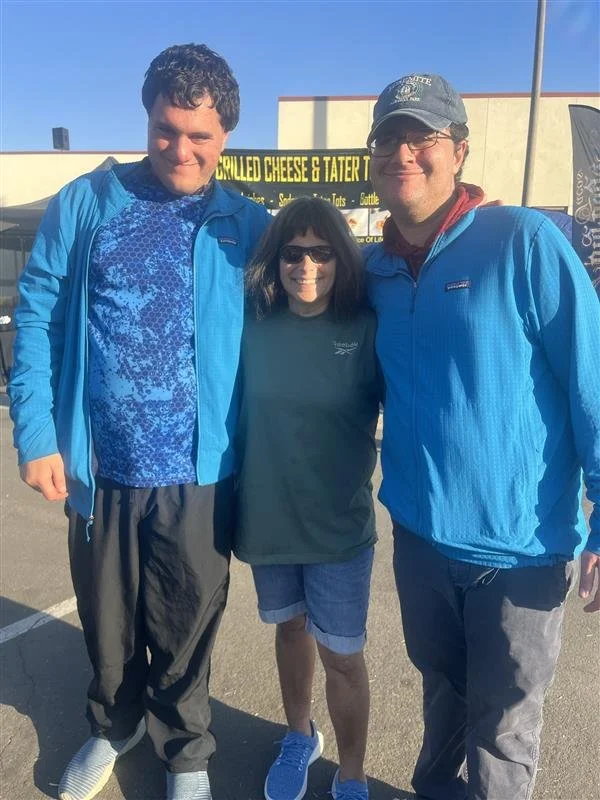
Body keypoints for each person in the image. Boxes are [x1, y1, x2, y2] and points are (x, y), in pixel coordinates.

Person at [8, 43, 270, 800]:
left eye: (200, 135)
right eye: (166, 129)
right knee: (109, 624)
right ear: (147, 118)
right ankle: (113, 724)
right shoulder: (89, 203)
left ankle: (185, 752)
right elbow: (37, 317)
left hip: (199, 472)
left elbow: (314, 305)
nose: (180, 149)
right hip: (101, 465)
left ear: (225, 136)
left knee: (188, 621)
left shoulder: (248, 225)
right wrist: (36, 434)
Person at [364, 73, 600, 800]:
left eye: (423, 138)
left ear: (458, 151)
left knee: (503, 732)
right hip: (420, 542)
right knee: (444, 698)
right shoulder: (371, 269)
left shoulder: (522, 241)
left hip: (519, 553)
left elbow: (591, 379)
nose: (405, 152)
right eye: (390, 138)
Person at [235, 197, 381, 800]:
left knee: (343, 657)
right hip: (268, 520)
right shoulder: (253, 325)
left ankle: (351, 772)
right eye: (293, 252)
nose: (307, 265)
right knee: (289, 631)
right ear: (276, 259)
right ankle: (300, 735)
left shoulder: (366, 327)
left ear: (341, 258)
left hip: (338, 530)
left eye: (322, 252)